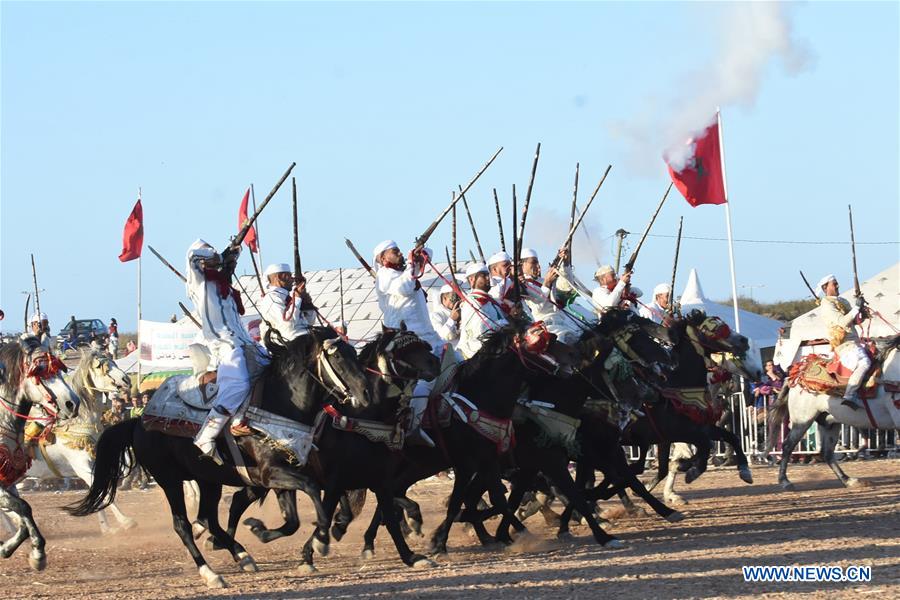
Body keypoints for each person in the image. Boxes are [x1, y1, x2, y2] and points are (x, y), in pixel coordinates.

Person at [186, 239, 269, 454]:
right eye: (223, 264)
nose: (228, 267)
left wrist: (233, 254)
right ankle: (206, 435)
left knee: (273, 369)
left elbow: (228, 264)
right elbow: (193, 255)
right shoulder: (199, 282)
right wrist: (220, 256)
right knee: (238, 384)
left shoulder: (226, 287)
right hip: (224, 345)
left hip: (245, 343)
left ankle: (241, 418)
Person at [817, 274, 871, 410]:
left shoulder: (842, 301)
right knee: (865, 362)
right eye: (834, 284)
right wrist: (856, 308)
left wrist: (862, 313)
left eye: (837, 283)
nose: (837, 285)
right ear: (825, 287)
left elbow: (853, 320)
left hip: (855, 342)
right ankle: (850, 395)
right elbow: (842, 322)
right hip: (844, 345)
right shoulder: (826, 304)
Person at [458, 262, 509, 359]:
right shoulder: (470, 302)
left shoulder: (492, 301)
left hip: (495, 349)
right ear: (472, 280)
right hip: (474, 355)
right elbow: (483, 330)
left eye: (487, 275)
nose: (487, 278)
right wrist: (508, 324)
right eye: (483, 276)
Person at [257, 263, 314, 345]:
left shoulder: (289, 297)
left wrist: (307, 304)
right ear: (280, 277)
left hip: (302, 335)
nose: (293, 280)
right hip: (284, 342)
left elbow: (310, 321)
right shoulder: (271, 298)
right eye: (290, 276)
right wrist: (297, 299)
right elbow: (288, 323)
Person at [430, 283, 461, 347]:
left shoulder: (462, 310)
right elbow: (440, 336)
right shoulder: (435, 315)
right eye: (454, 298)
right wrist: (452, 320)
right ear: (444, 298)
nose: (458, 301)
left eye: (459, 298)